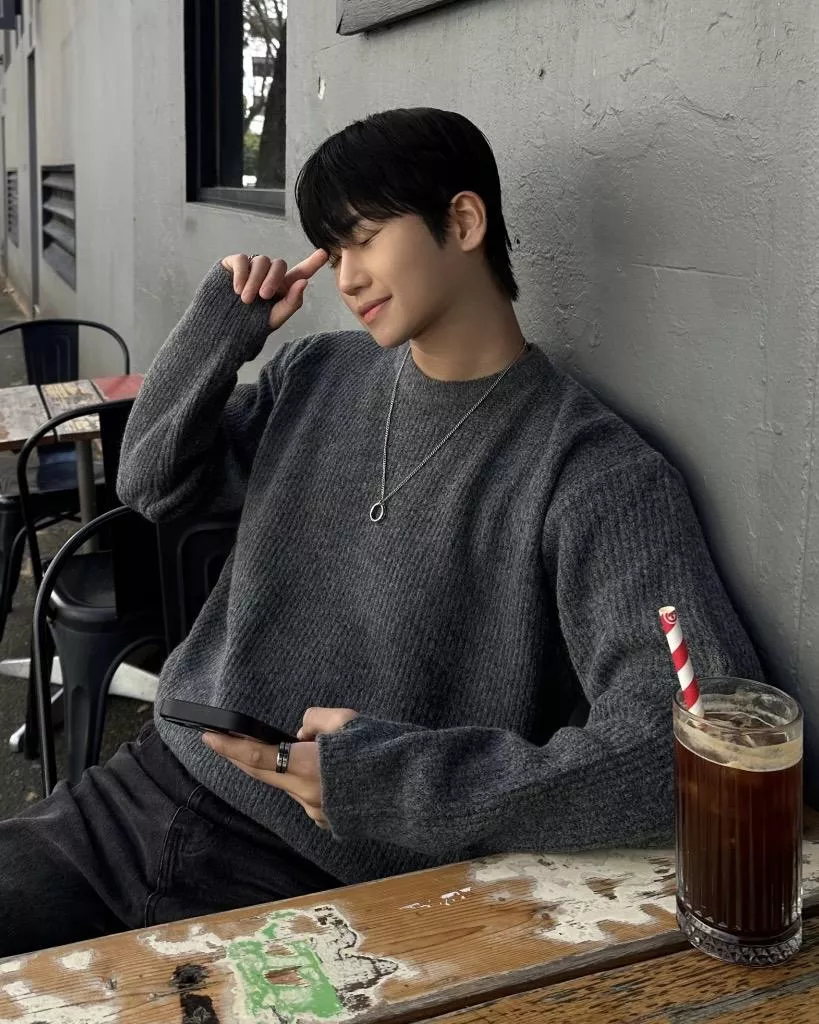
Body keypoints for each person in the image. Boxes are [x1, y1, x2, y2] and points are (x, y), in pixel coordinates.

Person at [0, 107, 761, 957]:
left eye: (362, 239)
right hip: (148, 786)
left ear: (462, 222)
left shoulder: (590, 471)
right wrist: (221, 326)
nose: (347, 277)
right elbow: (149, 483)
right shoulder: (315, 373)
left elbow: (691, 741)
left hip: (325, 881)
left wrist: (393, 785)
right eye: (332, 251)